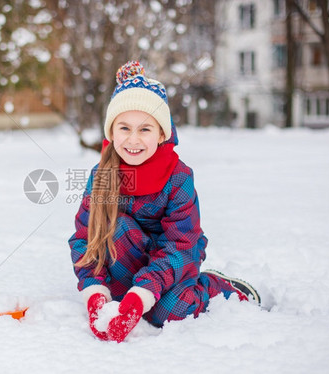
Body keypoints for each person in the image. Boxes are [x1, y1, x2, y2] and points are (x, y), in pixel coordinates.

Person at [68, 61, 260, 343]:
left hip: (174, 261)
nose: (133, 140)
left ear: (162, 133)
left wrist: (143, 294)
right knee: (116, 226)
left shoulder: (178, 177)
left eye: (145, 129)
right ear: (112, 132)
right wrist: (96, 295)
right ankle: (133, 292)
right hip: (127, 260)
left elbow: (180, 244)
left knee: (168, 311)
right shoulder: (102, 177)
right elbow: (85, 239)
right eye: (124, 128)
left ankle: (216, 287)